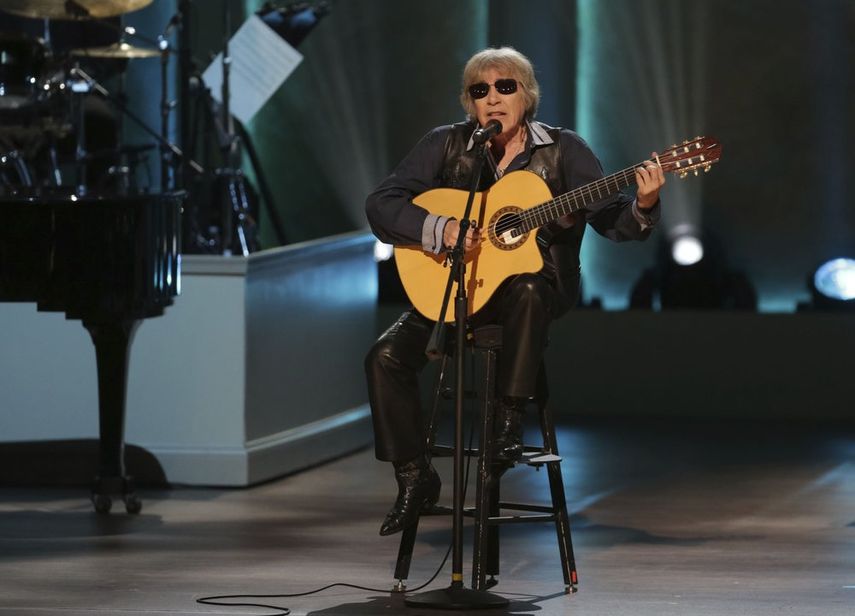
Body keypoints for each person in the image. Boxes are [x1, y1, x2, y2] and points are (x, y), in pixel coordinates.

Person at [364, 47, 665, 537]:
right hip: (458, 292)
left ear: (527, 96)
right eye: (480, 90)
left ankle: (506, 426)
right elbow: (382, 205)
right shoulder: (446, 144)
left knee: (526, 286)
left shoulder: (564, 149)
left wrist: (645, 203)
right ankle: (414, 476)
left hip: (536, 290)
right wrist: (440, 227)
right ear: (469, 102)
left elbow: (615, 221)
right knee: (384, 358)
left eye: (506, 87)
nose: (493, 98)